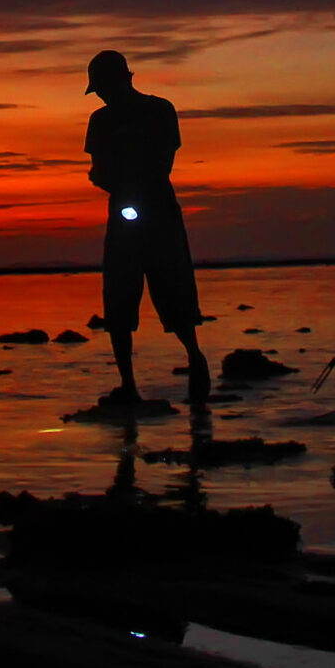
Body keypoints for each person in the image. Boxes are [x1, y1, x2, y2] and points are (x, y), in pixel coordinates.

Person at [84, 49, 212, 405]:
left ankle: (194, 357)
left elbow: (164, 163)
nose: (105, 95)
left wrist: (128, 180)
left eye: (107, 86)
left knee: (175, 291)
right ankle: (128, 383)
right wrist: (104, 179)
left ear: (125, 79)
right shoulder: (100, 121)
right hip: (121, 217)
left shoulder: (159, 110)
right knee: (119, 299)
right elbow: (99, 167)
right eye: (100, 90)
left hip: (160, 214)